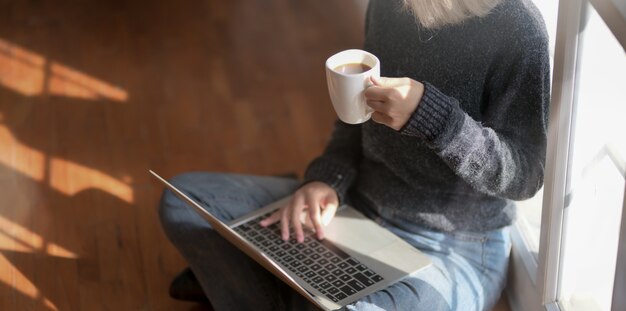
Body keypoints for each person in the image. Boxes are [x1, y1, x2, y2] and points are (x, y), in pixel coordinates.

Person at [158, 0, 550, 309]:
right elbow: (357, 115)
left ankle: (260, 284)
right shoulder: (389, 4)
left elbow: (525, 175)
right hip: (355, 211)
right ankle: (294, 290)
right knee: (183, 201)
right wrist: (326, 180)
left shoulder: (519, 29)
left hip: (455, 247)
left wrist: (439, 121)